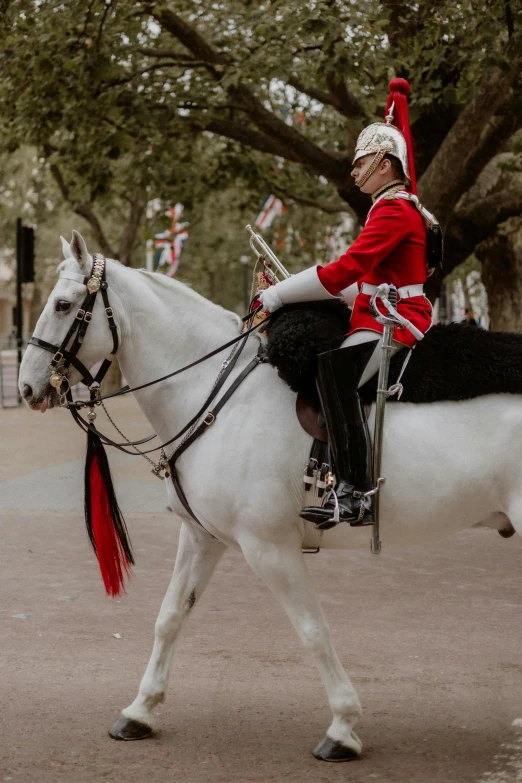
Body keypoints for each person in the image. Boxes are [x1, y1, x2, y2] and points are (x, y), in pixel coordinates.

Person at [258, 78, 437, 529]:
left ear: (385, 163)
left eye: (361, 163)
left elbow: (344, 271)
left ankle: (356, 492)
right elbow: (364, 281)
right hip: (379, 310)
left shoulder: (395, 210)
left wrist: (278, 293)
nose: (354, 172)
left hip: (396, 320)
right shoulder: (387, 207)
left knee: (334, 371)